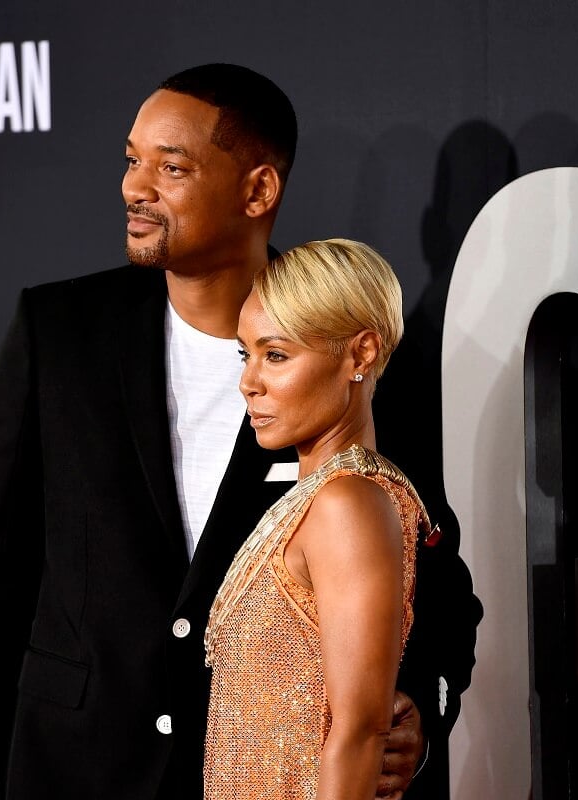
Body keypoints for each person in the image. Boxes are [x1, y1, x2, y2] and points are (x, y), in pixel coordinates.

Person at [0, 63, 481, 800]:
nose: (135, 187)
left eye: (172, 167)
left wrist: (419, 703)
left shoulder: (350, 350)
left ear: (258, 191)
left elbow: (439, 583)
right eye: (133, 160)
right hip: (74, 771)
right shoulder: (58, 334)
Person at [204, 239, 425, 800]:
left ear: (361, 354)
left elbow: (359, 731)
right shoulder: (321, 497)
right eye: (245, 354)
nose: (249, 381)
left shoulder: (347, 503)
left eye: (275, 355)